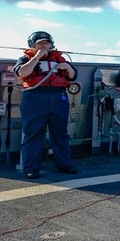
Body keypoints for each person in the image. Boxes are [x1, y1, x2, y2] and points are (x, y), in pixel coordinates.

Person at [14, 30, 78, 180]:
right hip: (35, 97)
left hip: (58, 97)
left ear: (51, 45)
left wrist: (66, 67)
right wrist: (36, 57)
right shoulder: (25, 59)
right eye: (40, 43)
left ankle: (64, 164)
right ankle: (31, 168)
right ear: (33, 45)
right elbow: (22, 73)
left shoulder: (60, 59)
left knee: (60, 133)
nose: (44, 46)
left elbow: (73, 76)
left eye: (46, 43)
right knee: (33, 133)